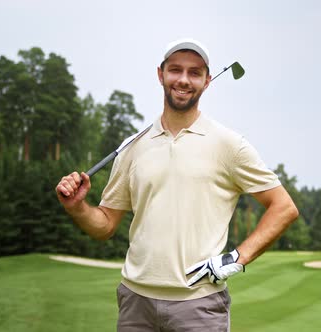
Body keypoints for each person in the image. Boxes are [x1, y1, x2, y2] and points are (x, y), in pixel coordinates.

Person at [55, 38, 299, 331]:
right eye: (175, 70)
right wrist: (78, 207)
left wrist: (236, 258)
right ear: (161, 74)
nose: (183, 80)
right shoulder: (132, 147)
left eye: (195, 73)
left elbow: (283, 207)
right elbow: (105, 224)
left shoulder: (229, 145)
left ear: (207, 82)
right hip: (135, 302)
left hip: (199, 306)